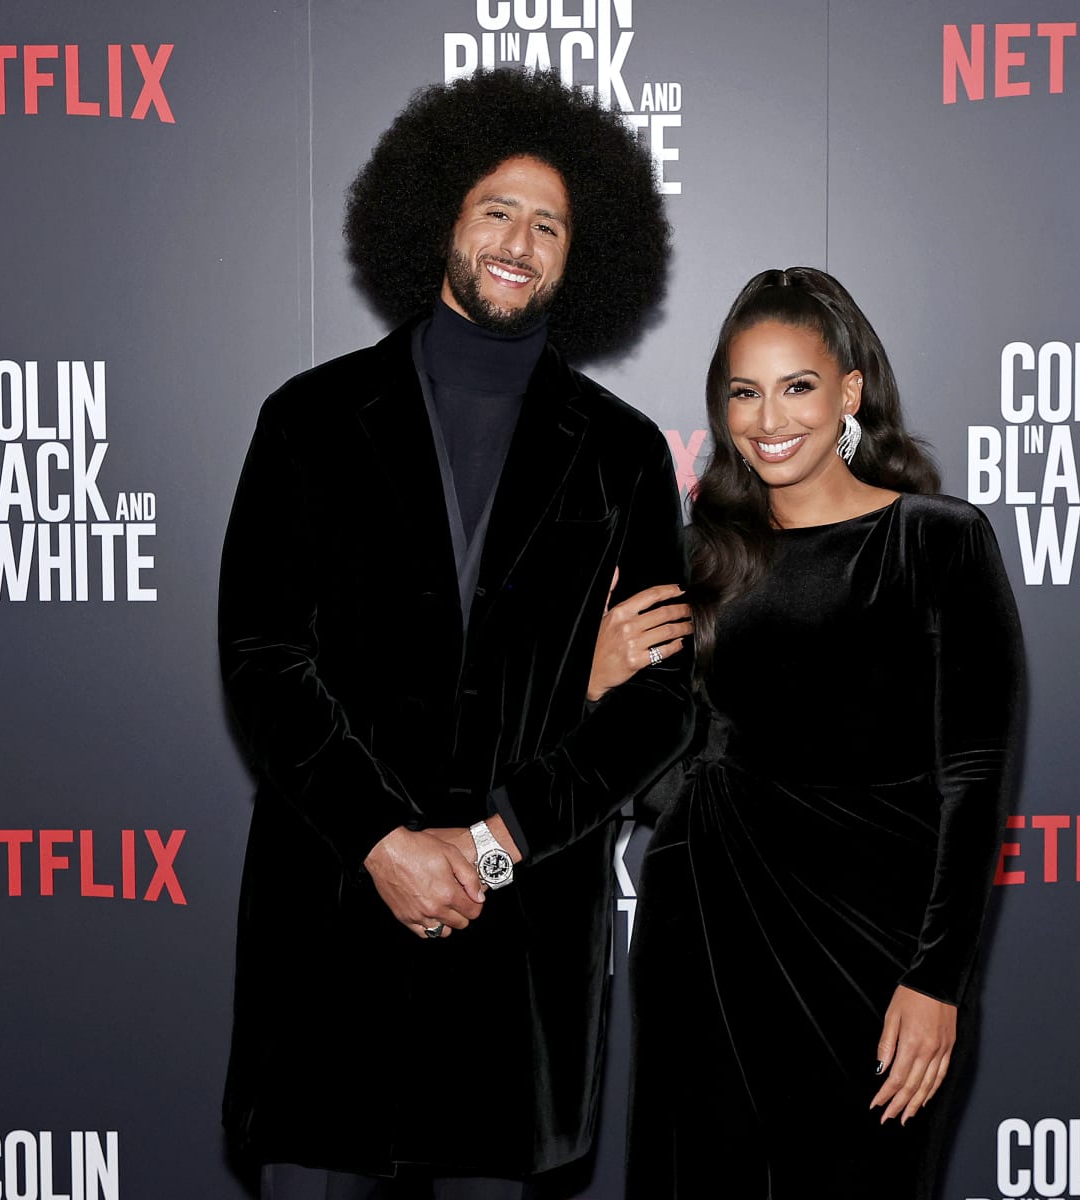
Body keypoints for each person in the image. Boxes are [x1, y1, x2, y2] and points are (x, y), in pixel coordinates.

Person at [218, 70, 694, 1199]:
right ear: (438, 215)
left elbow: (661, 700)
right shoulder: (308, 421)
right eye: (497, 209)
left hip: (515, 967)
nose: (520, 240)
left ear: (585, 256)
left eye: (551, 224)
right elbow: (265, 663)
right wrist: (385, 841)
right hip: (332, 932)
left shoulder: (622, 452)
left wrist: (490, 846)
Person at [600, 268, 1025, 1199]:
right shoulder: (693, 555)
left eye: (796, 386)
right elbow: (621, 746)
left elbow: (975, 777)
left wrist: (939, 979)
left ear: (850, 393)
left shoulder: (935, 542)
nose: (768, 418)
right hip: (707, 924)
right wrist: (597, 678)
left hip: (878, 952)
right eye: (743, 393)